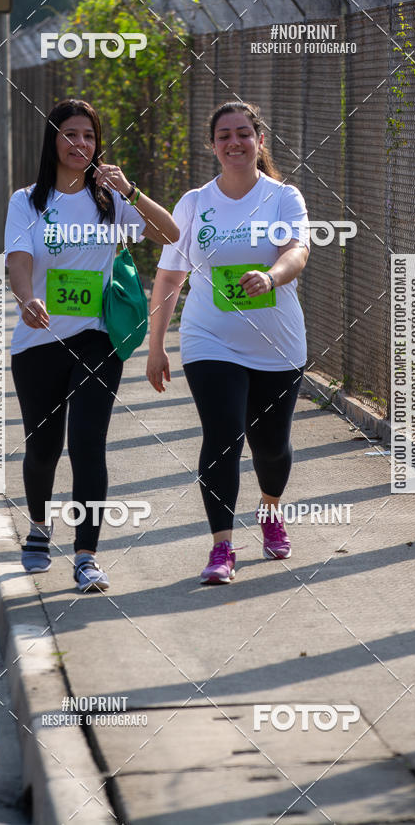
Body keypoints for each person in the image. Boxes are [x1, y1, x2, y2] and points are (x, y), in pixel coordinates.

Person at [5, 98, 179, 591]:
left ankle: (86, 555)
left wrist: (131, 191)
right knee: (43, 447)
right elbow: (18, 259)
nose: (80, 143)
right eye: (70, 134)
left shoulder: (109, 199)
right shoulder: (29, 201)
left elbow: (172, 234)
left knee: (88, 445)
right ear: (53, 140)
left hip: (96, 339)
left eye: (89, 136)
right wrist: (25, 298)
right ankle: (39, 527)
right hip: (37, 339)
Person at [146, 100, 310, 584]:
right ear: (212, 145)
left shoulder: (284, 197)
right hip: (209, 338)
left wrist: (272, 276)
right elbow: (170, 277)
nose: (234, 142)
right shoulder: (195, 202)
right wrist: (156, 346)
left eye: (243, 133)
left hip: (277, 343)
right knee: (222, 438)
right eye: (224, 136)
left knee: (271, 447)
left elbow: (297, 251)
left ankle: (270, 507)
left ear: (259, 141)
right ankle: (222, 547)